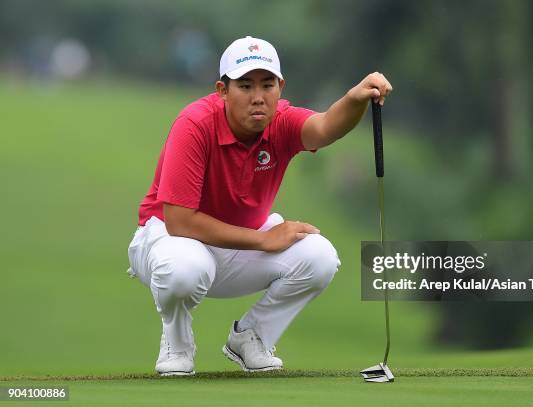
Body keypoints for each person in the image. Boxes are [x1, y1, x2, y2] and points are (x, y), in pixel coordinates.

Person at [126, 35, 392, 376]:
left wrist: (355, 98)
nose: (258, 97)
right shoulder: (194, 124)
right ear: (222, 90)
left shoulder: (281, 121)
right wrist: (264, 239)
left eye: (267, 85)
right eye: (245, 85)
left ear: (280, 87)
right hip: (169, 242)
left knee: (320, 256)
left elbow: (325, 127)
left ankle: (252, 337)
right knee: (184, 269)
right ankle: (176, 342)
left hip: (235, 246)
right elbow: (179, 221)